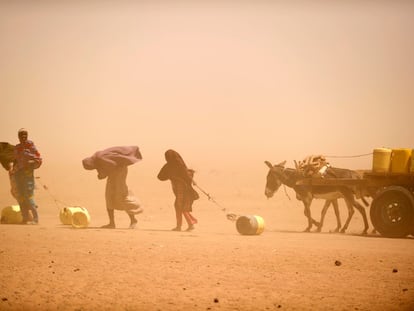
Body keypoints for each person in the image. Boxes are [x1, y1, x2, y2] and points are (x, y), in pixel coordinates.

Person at [82, 146, 143, 229]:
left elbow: (112, 164)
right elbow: (104, 166)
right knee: (109, 196)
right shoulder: (96, 158)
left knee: (122, 195)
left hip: (119, 170)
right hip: (113, 172)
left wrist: (103, 174)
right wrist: (102, 173)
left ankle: (133, 220)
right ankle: (111, 223)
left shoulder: (100, 157)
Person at [157, 149, 199, 231]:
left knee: (179, 206)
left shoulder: (170, 166)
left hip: (182, 190)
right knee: (180, 206)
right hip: (182, 190)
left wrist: (170, 176)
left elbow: (160, 177)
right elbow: (187, 175)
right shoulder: (180, 165)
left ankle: (188, 224)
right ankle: (187, 224)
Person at [13, 129, 42, 224]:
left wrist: (32, 162)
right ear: (18, 136)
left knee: (29, 197)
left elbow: (38, 159)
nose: (23, 136)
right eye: (21, 135)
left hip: (28, 175)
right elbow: (15, 161)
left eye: (25, 134)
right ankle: (25, 218)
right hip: (18, 175)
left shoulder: (31, 146)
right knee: (21, 197)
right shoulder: (17, 147)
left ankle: (36, 219)